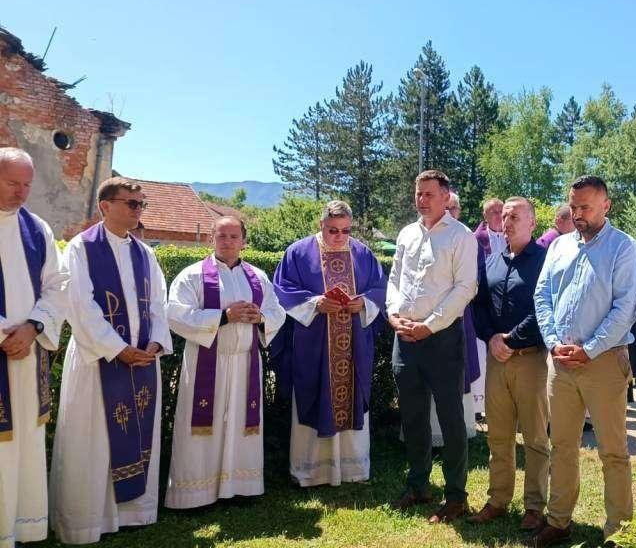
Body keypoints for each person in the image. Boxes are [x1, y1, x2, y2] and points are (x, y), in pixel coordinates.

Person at [50, 177, 173, 544]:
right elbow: (79, 307)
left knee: (136, 432)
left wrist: (154, 344)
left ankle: (134, 513)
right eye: (131, 204)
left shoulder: (145, 253)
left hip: (141, 362)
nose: (138, 211)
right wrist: (117, 349)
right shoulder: (80, 249)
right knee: (94, 439)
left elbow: (160, 305)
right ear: (106, 206)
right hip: (97, 361)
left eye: (141, 205)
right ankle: (89, 520)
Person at [532, 175, 636, 546]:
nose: (577, 214)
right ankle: (559, 520)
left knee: (613, 450)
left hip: (604, 363)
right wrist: (552, 341)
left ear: (606, 205)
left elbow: (624, 308)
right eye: (573, 207)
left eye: (585, 207)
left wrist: (590, 348)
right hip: (560, 363)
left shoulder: (624, 249)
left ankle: (619, 530)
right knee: (561, 445)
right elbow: (543, 295)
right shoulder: (560, 246)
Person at [164, 217, 286, 508]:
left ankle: (240, 487)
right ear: (211, 239)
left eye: (234, 236)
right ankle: (195, 493)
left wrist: (261, 318)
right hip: (207, 363)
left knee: (240, 427)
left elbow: (277, 312)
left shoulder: (258, 277)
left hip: (246, 364)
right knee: (203, 429)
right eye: (222, 236)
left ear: (244, 241)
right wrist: (223, 316)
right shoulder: (192, 276)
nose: (228, 241)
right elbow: (174, 315)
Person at [271, 201, 387, 486]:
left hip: (353, 344)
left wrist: (365, 303)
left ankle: (352, 468)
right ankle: (312, 471)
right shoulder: (298, 252)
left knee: (352, 395)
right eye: (333, 230)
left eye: (345, 230)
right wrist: (315, 303)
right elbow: (282, 290)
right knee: (313, 391)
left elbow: (381, 288)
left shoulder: (362, 253)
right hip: (315, 343)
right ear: (321, 225)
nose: (339, 236)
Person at [387, 170, 478, 523]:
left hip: (441, 339)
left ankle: (456, 496)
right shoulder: (407, 233)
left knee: (451, 419)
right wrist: (394, 315)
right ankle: (418, 485)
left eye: (428, 194)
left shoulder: (461, 237)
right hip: (404, 336)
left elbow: (465, 288)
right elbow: (395, 279)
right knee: (412, 416)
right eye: (418, 193)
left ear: (445, 197)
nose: (421, 199)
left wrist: (429, 325)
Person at [469, 197, 550, 532]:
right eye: (504, 217)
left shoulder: (545, 261)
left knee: (534, 437)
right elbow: (480, 306)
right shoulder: (492, 261)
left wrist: (510, 340)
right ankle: (498, 499)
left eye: (515, 216)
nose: (507, 222)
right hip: (497, 359)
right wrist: (491, 338)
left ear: (532, 223)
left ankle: (534, 506)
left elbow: (544, 309)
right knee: (499, 436)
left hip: (529, 358)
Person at [0, 148, 68, 547]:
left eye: (27, 184)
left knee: (23, 442)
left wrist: (33, 326)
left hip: (27, 357)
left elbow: (58, 286)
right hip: (9, 347)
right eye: (12, 183)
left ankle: (18, 527)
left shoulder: (37, 228)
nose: (21, 193)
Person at [440, 191, 482, 435]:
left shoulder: (466, 236)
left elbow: (475, 275)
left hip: (458, 311)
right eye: (447, 208)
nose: (449, 213)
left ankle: (461, 428)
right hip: (425, 317)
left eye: (453, 208)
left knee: (457, 369)